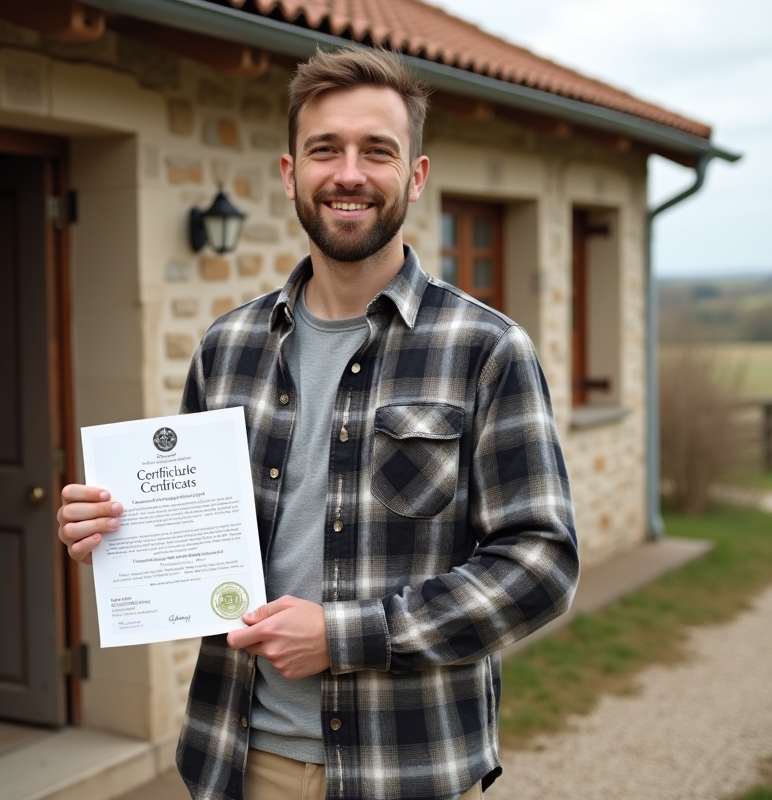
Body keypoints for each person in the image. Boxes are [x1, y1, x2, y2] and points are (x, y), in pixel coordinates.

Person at [58, 46, 579, 800]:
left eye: (378, 150)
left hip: (407, 768)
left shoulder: (486, 350)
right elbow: (199, 542)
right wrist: (114, 533)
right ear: (289, 172)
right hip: (239, 758)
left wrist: (345, 635)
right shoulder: (227, 347)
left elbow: (540, 564)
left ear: (416, 176)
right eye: (324, 149)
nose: (349, 173)